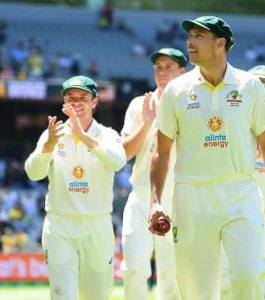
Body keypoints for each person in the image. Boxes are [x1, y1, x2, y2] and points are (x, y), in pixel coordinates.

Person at [148, 16, 265, 299]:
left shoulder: (250, 86)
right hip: (191, 196)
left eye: (199, 35)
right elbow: (161, 152)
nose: (190, 41)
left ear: (220, 43)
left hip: (240, 193)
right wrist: (155, 202)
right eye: (190, 35)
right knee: (196, 290)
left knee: (248, 277)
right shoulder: (176, 90)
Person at [24, 75, 126, 299]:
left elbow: (118, 161)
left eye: (83, 97)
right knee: (62, 294)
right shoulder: (52, 134)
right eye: (71, 98)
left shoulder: (107, 135)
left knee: (96, 295)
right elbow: (33, 173)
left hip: (97, 224)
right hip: (60, 224)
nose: (77, 102)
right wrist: (49, 145)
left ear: (95, 102)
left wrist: (84, 136)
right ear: (65, 103)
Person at [120, 48, 187, 300]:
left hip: (177, 197)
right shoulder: (139, 105)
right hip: (141, 196)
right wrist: (147, 121)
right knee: (133, 269)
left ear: (183, 72)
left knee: (172, 278)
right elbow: (124, 153)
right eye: (158, 67)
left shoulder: (191, 106)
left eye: (169, 66)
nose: (162, 72)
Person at [221, 65, 265, 299]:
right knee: (230, 269)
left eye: (263, 86)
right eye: (253, 85)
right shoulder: (234, 120)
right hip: (235, 204)